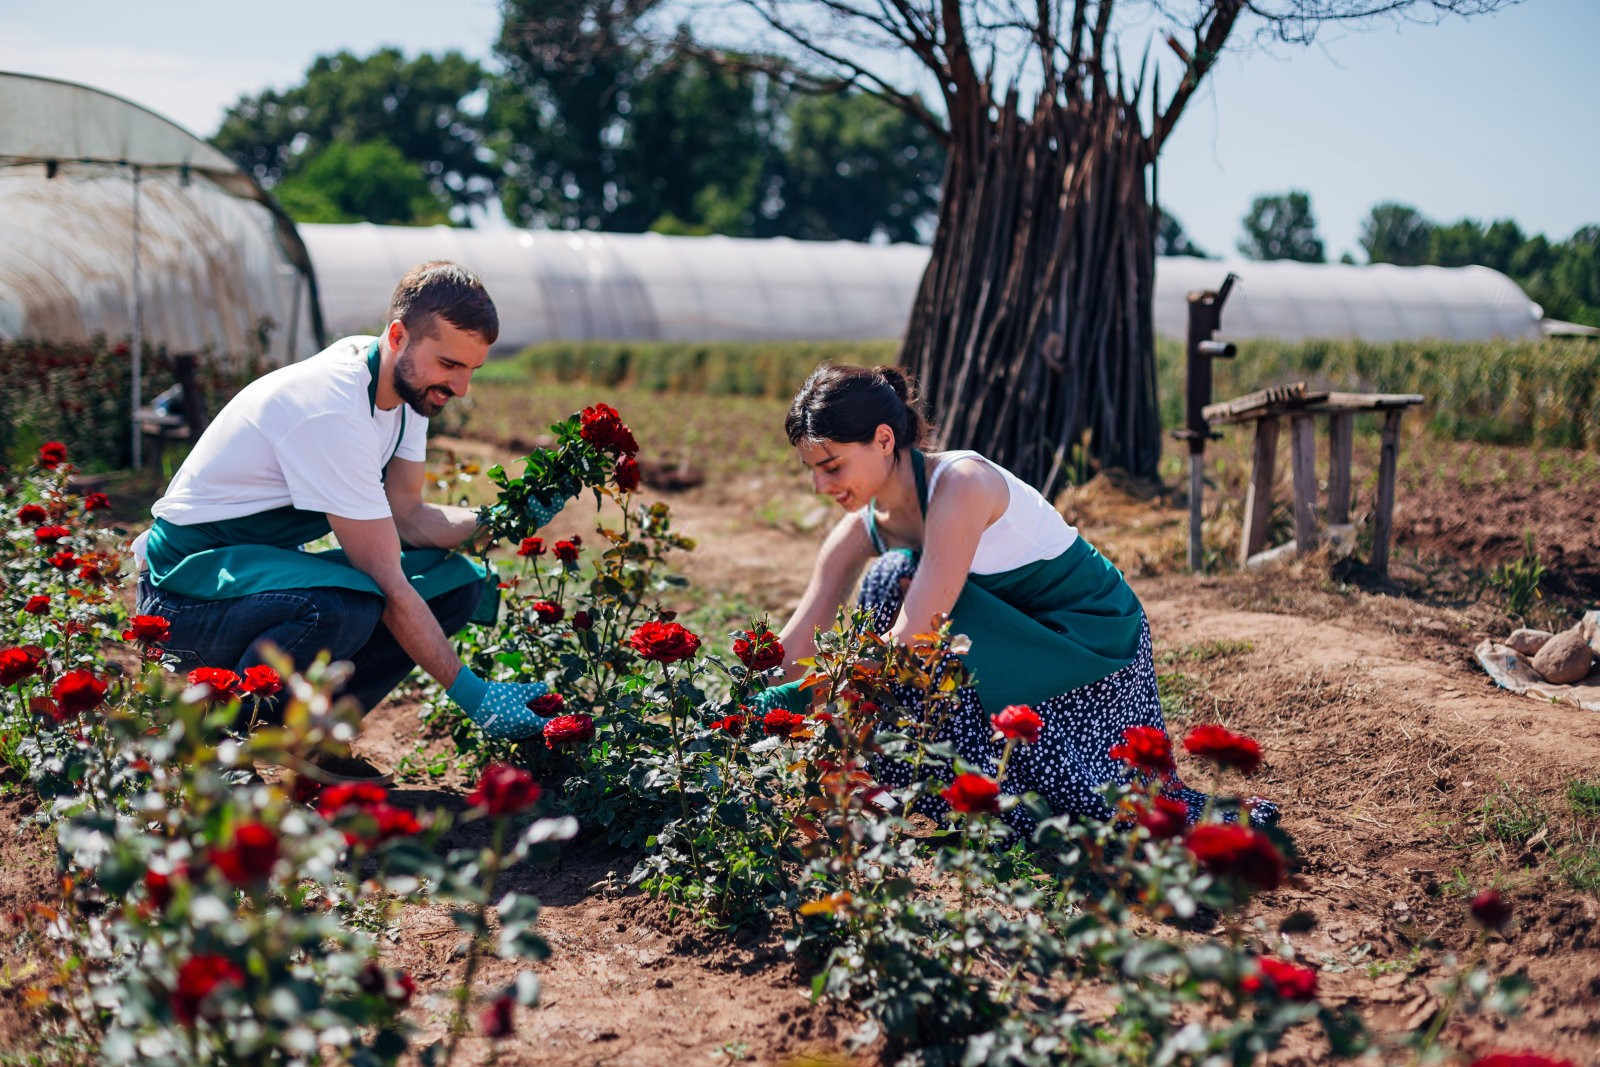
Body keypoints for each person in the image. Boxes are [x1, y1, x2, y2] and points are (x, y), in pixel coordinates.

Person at [759, 364, 1273, 834]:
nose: (820, 484)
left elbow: (913, 637)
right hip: (1013, 640)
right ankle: (938, 777)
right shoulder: (865, 527)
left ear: (884, 439)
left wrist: (800, 699)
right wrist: (744, 701)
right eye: (812, 468)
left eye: (831, 465)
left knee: (900, 590)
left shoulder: (962, 484)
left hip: (1087, 640)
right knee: (891, 581)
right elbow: (805, 627)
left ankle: (992, 780)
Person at [133, 262, 560, 763]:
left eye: (471, 370)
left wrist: (502, 519)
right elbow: (384, 576)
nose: (460, 387)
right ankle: (225, 739)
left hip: (241, 579)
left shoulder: (405, 395)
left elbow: (408, 517)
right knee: (344, 604)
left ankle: (311, 741)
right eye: (449, 364)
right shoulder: (331, 407)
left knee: (454, 583)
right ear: (399, 336)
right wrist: (473, 694)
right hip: (184, 595)